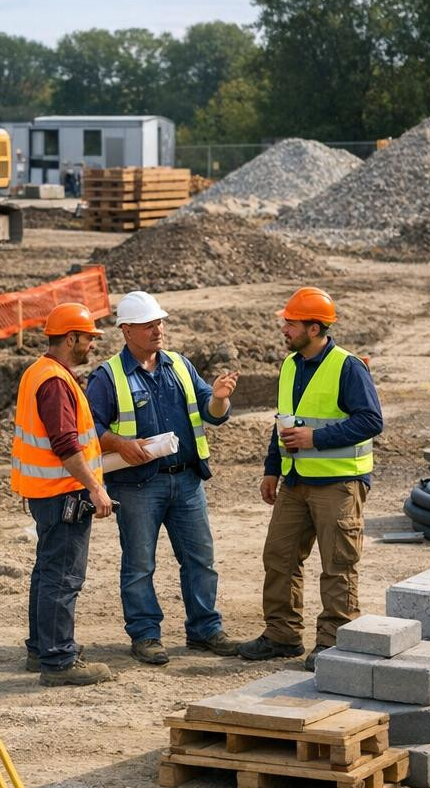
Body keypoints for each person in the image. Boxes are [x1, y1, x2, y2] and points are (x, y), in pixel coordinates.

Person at [84, 291, 241, 666]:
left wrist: (219, 398)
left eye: (160, 323)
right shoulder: (108, 377)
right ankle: (145, 634)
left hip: (186, 481)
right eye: (149, 324)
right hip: (138, 485)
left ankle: (205, 629)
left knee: (200, 558)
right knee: (140, 564)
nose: (158, 330)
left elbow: (212, 412)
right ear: (126, 330)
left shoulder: (179, 366)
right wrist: (120, 444)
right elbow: (89, 427)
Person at [239, 287, 383, 671]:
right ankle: (282, 635)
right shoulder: (290, 365)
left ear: (315, 328)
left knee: (338, 563)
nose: (284, 329)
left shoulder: (348, 367)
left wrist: (316, 438)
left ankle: (335, 641)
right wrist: (272, 468)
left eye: (291, 323)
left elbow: (371, 420)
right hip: (295, 480)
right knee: (279, 557)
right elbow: (283, 423)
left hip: (338, 483)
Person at [12, 301, 116, 687]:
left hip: (46, 493)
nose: (91, 345)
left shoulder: (39, 372)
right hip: (64, 493)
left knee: (47, 572)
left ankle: (43, 647)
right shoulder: (55, 381)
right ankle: (58, 660)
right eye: (88, 338)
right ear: (70, 337)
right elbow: (65, 444)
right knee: (63, 576)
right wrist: (95, 487)